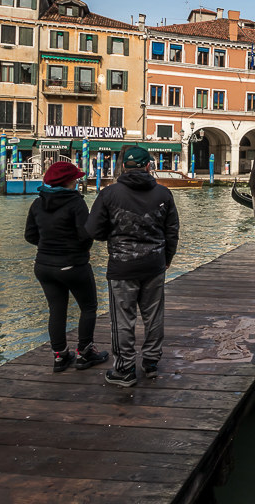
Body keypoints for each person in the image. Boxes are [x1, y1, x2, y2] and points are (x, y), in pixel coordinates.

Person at [87, 146, 179, 387]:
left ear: (123, 167)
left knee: (122, 319)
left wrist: (116, 234)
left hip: (122, 265)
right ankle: (150, 362)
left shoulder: (109, 194)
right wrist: (167, 258)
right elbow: (172, 231)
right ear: (149, 166)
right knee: (154, 315)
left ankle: (125, 368)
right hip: (154, 263)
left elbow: (94, 230)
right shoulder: (164, 194)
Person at [24, 161, 109, 373]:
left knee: (56, 310)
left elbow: (30, 236)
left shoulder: (37, 203)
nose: (78, 181)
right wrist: (77, 249)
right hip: (73, 265)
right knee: (88, 307)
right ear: (68, 181)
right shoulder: (75, 203)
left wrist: (48, 247)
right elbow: (85, 234)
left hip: (44, 265)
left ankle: (60, 357)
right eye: (75, 178)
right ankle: (85, 353)